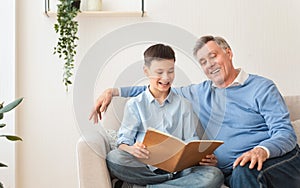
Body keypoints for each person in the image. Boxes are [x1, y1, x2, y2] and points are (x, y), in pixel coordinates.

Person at [90, 36, 300, 187]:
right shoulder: (200, 91)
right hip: (227, 171)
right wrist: (114, 91)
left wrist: (261, 150)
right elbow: (157, 86)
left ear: (228, 53)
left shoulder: (261, 87)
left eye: (213, 56)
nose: (210, 65)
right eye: (203, 62)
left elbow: (285, 133)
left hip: (272, 160)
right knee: (219, 175)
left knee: (243, 172)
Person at [105, 44, 224, 188]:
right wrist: (132, 149)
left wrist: (201, 156)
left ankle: (151, 186)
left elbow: (191, 140)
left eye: (171, 71)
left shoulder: (184, 104)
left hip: (179, 171)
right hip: (145, 167)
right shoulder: (135, 104)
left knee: (214, 175)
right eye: (159, 72)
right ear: (146, 71)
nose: (166, 78)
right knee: (114, 158)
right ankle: (168, 183)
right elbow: (123, 142)